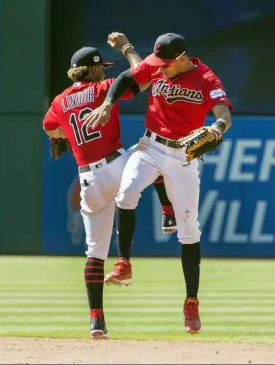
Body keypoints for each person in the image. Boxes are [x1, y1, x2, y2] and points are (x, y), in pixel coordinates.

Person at [84, 32, 233, 334]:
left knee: (189, 229)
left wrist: (217, 128)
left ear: (181, 59)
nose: (159, 68)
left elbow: (223, 113)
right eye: (157, 62)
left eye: (166, 63)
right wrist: (108, 103)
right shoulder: (155, 65)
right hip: (150, 146)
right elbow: (125, 77)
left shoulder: (206, 78)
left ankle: (191, 301)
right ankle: (123, 262)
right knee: (126, 194)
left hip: (183, 156)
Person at [42, 32, 176, 339]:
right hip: (114, 164)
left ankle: (96, 322)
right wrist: (129, 49)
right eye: (101, 66)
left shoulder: (60, 100)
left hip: (88, 178)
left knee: (94, 253)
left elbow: (50, 129)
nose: (104, 70)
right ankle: (168, 211)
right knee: (150, 155)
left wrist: (66, 132)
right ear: (90, 70)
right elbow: (143, 76)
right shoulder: (103, 88)